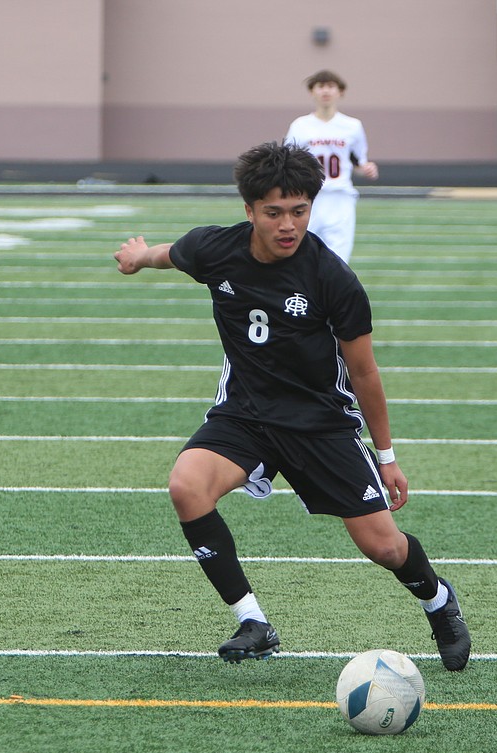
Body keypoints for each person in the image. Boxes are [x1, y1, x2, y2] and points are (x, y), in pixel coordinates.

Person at [112, 141, 470, 671]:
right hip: (247, 416)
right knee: (187, 484)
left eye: (299, 211)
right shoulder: (214, 249)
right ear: (249, 210)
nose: (288, 225)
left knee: (384, 548)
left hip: (320, 423)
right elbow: (170, 253)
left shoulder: (333, 279)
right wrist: (140, 257)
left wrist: (387, 453)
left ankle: (439, 602)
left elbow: (365, 372)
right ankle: (252, 620)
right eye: (273, 212)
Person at [284, 70, 378, 264]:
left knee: (338, 261)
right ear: (312, 92)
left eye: (330, 86)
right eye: (320, 86)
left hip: (340, 198)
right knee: (302, 256)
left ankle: (331, 295)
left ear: (340, 92)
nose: (325, 91)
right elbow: (288, 162)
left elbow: (357, 163)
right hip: (309, 198)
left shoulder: (352, 126)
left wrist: (366, 168)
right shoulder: (300, 125)